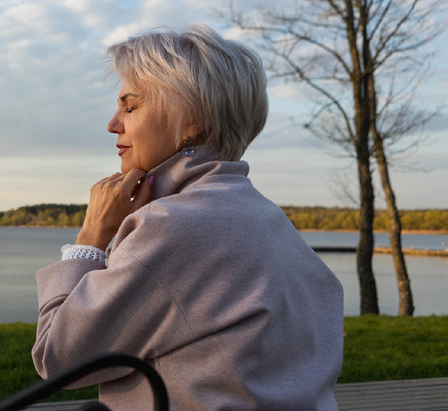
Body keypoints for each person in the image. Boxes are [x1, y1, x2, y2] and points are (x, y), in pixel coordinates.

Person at [33, 23, 344, 410]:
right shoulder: (267, 218)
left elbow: (59, 358)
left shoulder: (171, 226)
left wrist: (92, 238)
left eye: (130, 106)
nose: (113, 124)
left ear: (192, 119)